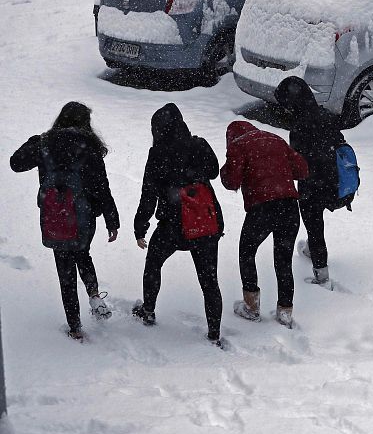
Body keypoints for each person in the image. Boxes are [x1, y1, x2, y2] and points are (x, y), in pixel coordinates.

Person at [10, 102, 119, 341]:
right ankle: (94, 296)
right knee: (83, 254)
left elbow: (15, 163)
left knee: (64, 270)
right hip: (84, 216)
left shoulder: (44, 143)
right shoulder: (89, 146)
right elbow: (102, 186)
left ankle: (76, 327)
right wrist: (112, 218)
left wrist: (34, 141)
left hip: (55, 216)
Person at [132, 103, 225, 347]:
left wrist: (140, 227)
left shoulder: (158, 153)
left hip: (173, 225)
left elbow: (148, 194)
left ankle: (148, 311)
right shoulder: (198, 144)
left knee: (153, 263)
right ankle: (214, 332)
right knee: (209, 280)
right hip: (205, 223)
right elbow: (214, 172)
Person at [220, 121, 308, 328]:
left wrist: (229, 166)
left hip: (262, 208)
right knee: (283, 260)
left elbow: (231, 182)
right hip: (289, 207)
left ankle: (251, 307)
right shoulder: (275, 139)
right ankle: (285, 311)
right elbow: (302, 169)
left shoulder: (238, 145)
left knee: (247, 253)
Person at [274, 77, 345, 285]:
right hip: (333, 181)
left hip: (312, 185)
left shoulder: (298, 127)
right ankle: (308, 250)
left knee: (315, 227)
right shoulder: (326, 116)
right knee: (316, 224)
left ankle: (322, 277)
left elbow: (298, 163)